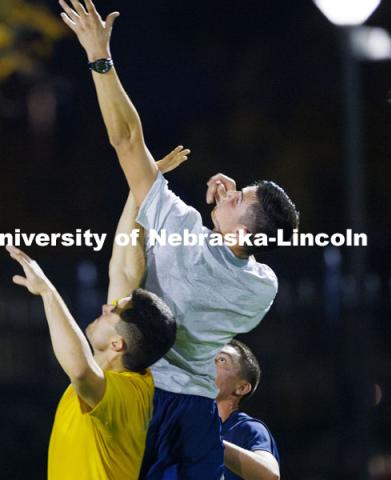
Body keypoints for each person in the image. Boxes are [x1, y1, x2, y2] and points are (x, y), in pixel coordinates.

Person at [59, 1, 298, 477]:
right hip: (196, 413)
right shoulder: (263, 287)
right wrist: (223, 215)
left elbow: (127, 140)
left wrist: (99, 56)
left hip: (144, 396)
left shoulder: (182, 229)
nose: (232, 191)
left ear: (245, 227)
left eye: (240, 195)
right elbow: (234, 253)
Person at [6, 222, 176, 478]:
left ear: (117, 344)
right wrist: (139, 189)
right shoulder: (128, 370)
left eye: (114, 311)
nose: (106, 308)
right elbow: (125, 272)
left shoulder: (123, 395)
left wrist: (47, 292)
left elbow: (80, 370)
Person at [164, 338, 280, 480]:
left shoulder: (247, 428)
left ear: (241, 388)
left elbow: (270, 475)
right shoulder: (182, 423)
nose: (209, 363)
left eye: (222, 359)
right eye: (209, 357)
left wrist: (210, 440)